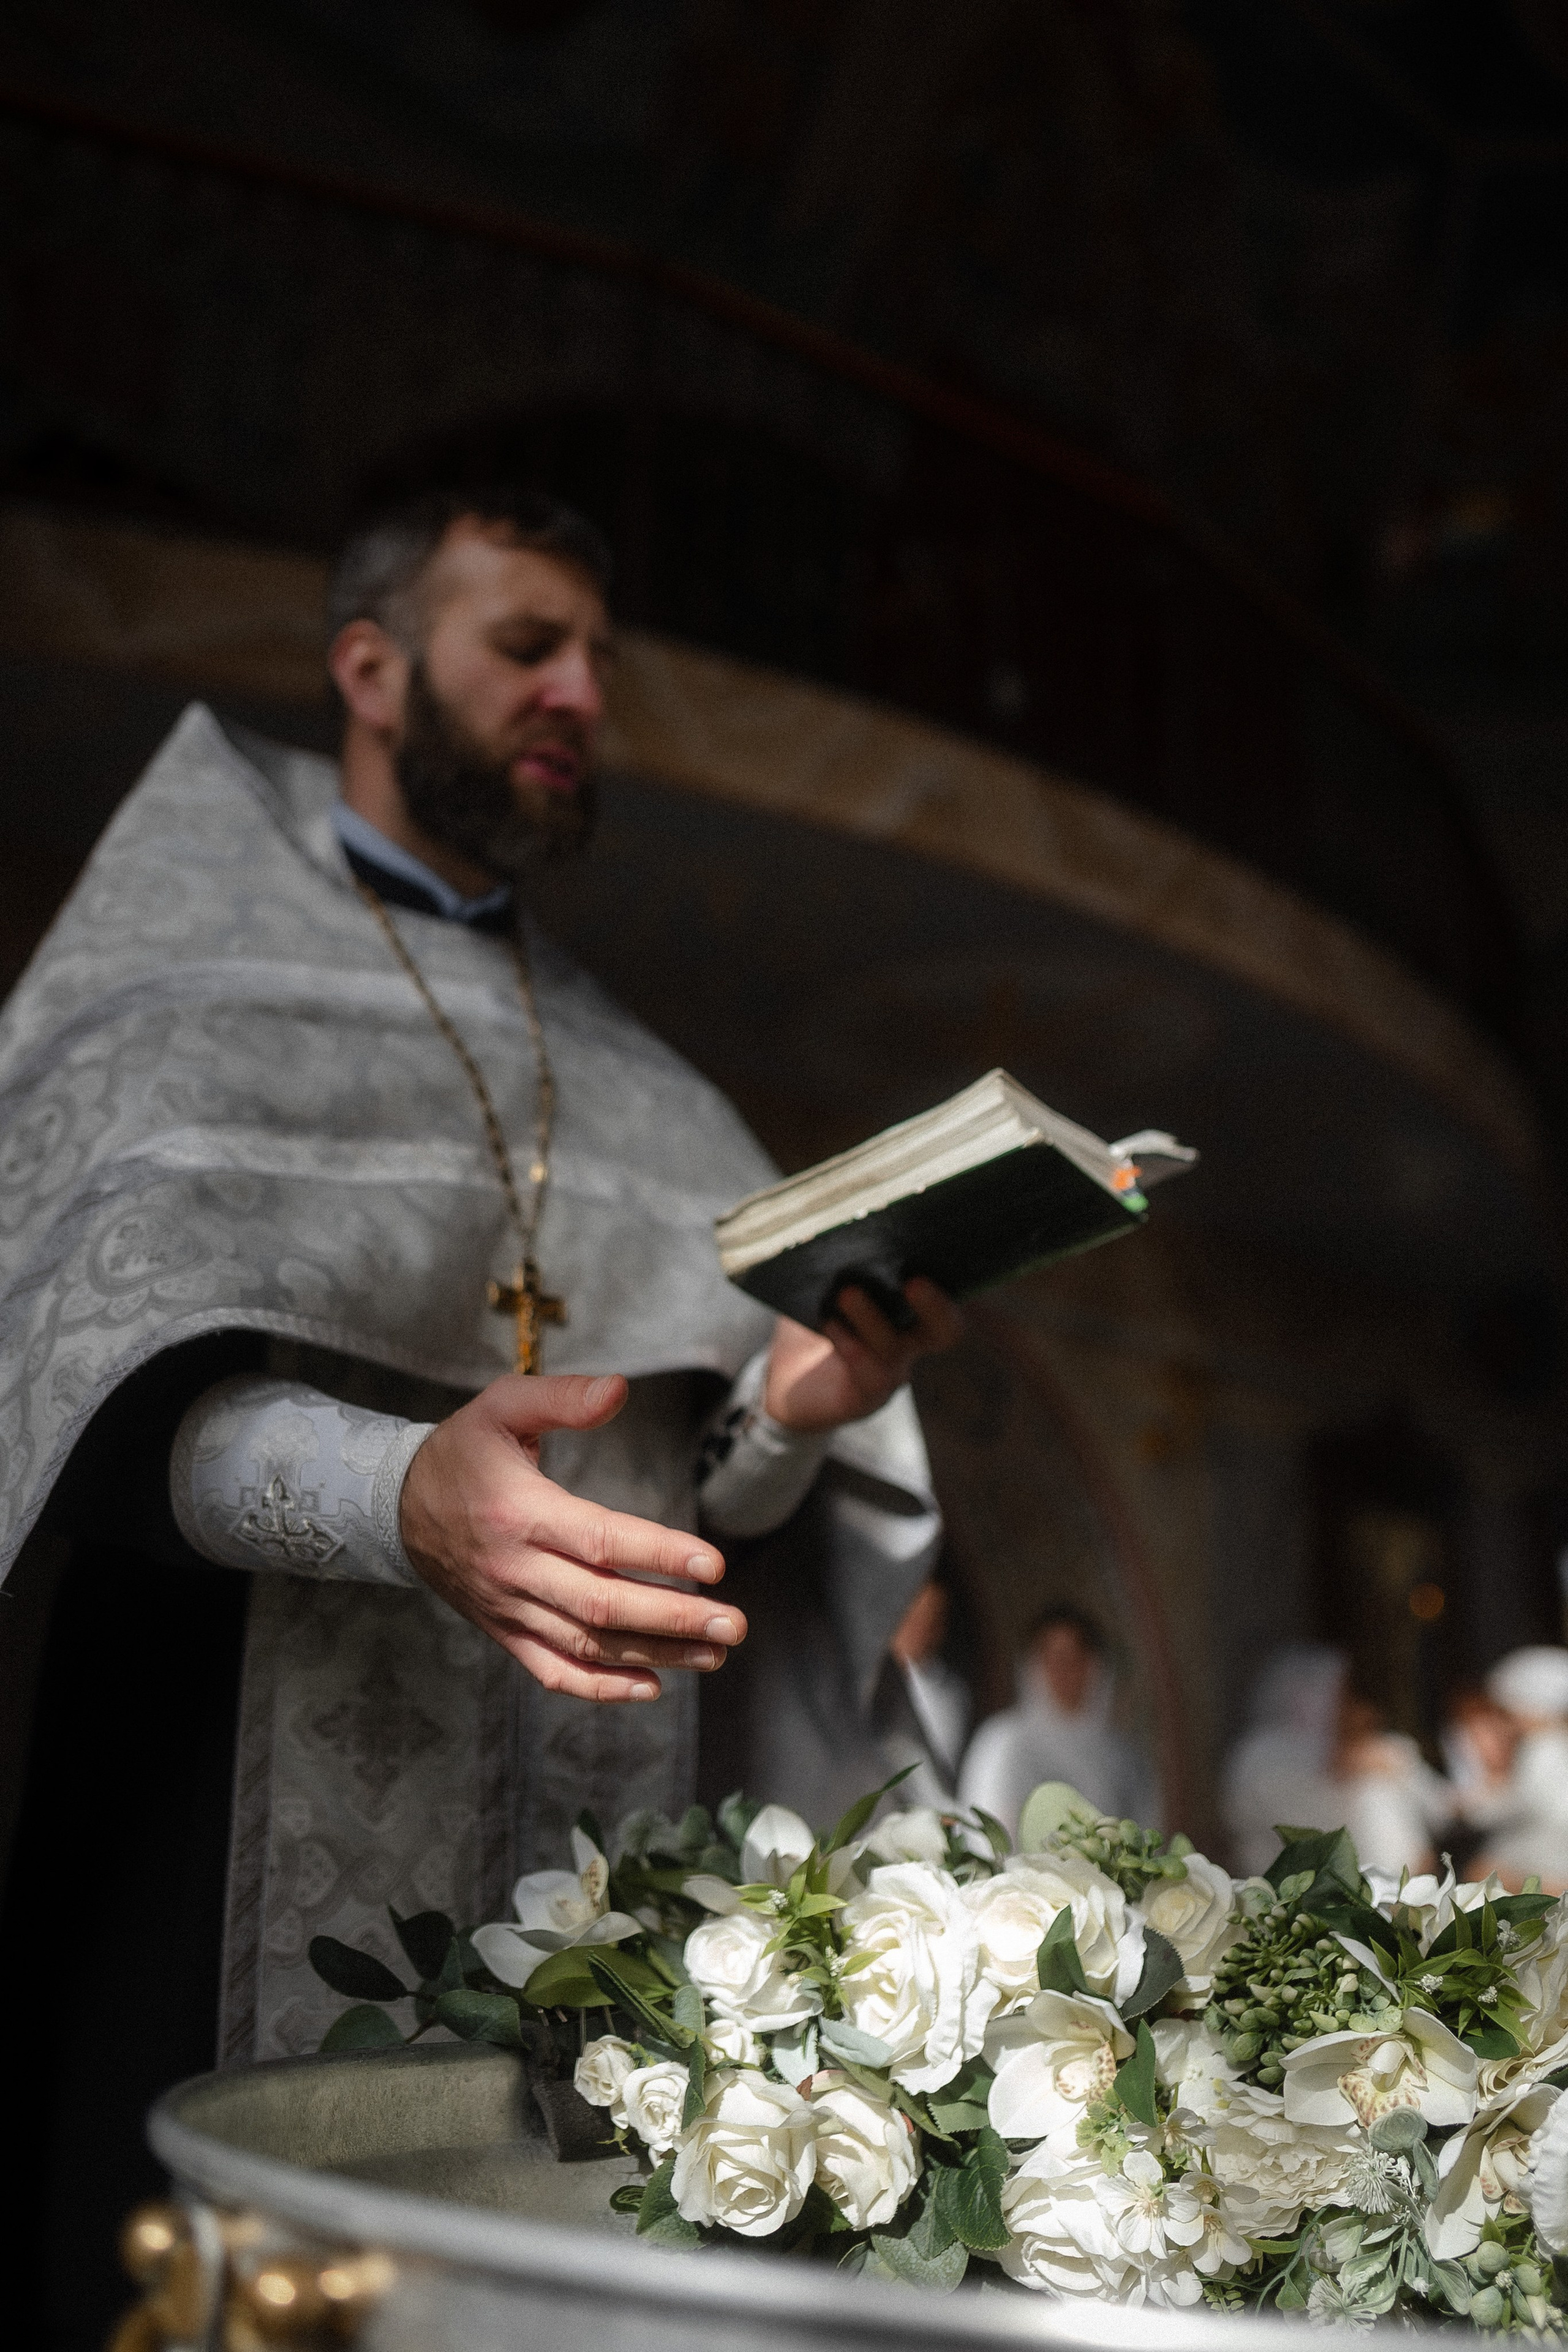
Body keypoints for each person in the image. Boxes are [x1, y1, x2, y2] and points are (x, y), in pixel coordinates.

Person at [0, 473, 961, 2343]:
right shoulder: (167, 996)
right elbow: (71, 1384)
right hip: (203, 1832)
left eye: (598, 658)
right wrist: (396, 1497)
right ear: (370, 666)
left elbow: (695, 1502)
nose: (580, 691)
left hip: (572, 1870)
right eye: (526, 644)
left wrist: (784, 1406)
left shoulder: (622, 1068)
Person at [1223, 1646, 1451, 1880]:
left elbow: (1443, 1807)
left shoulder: (1373, 1753)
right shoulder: (1265, 1757)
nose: (1352, 1709)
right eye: (1343, 1697)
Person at [957, 1605, 1153, 1837]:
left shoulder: (1121, 1756)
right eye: (1054, 1658)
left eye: (1075, 1658)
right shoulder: (1004, 1742)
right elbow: (990, 1835)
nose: (1064, 1671)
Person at [1471, 1646, 1568, 1892]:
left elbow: (1528, 1803)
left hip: (1548, 1845)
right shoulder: (1552, 1742)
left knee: (1481, 1874)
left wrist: (1479, 1807)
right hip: (1546, 1840)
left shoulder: (1543, 1745)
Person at [877, 1575, 973, 1805]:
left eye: (932, 1620)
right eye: (912, 1617)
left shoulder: (953, 1694)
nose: (920, 1630)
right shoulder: (864, 1679)